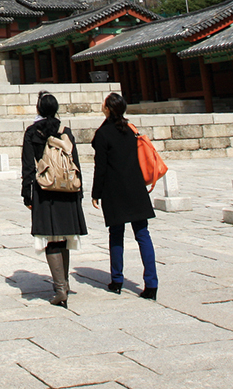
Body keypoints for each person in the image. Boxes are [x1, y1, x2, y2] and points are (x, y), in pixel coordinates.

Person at [21, 91, 87, 307]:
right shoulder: (65, 131)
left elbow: (28, 167)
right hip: (67, 189)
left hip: (45, 188)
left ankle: (59, 289)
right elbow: (74, 161)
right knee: (65, 237)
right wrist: (80, 190)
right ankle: (64, 283)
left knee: (50, 237)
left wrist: (26, 192)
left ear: (39, 109)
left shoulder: (32, 132)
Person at [91, 92, 158, 300]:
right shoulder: (130, 130)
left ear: (108, 109)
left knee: (116, 235)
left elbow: (100, 167)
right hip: (136, 187)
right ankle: (151, 283)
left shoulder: (103, 134)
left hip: (114, 189)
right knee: (143, 235)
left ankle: (117, 280)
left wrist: (96, 193)